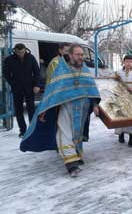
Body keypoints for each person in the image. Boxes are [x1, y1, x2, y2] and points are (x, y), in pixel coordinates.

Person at [20, 44, 100, 177]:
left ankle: (76, 155)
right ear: (70, 55)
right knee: (64, 133)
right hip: (66, 106)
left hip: (82, 108)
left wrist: (95, 105)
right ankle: (71, 164)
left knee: (77, 134)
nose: (81, 57)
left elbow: (91, 89)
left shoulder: (85, 69)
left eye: (82, 54)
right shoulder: (61, 69)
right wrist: (44, 109)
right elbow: (53, 90)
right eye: (78, 54)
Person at [3, 43, 40, 137]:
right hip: (17, 88)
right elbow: (6, 74)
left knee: (31, 109)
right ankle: (23, 131)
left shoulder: (31, 58)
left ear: (25, 50)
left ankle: (32, 129)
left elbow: (36, 72)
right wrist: (13, 84)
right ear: (15, 51)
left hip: (30, 87)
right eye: (18, 52)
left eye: (22, 52)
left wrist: (36, 85)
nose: (21, 54)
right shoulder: (9, 59)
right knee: (19, 110)